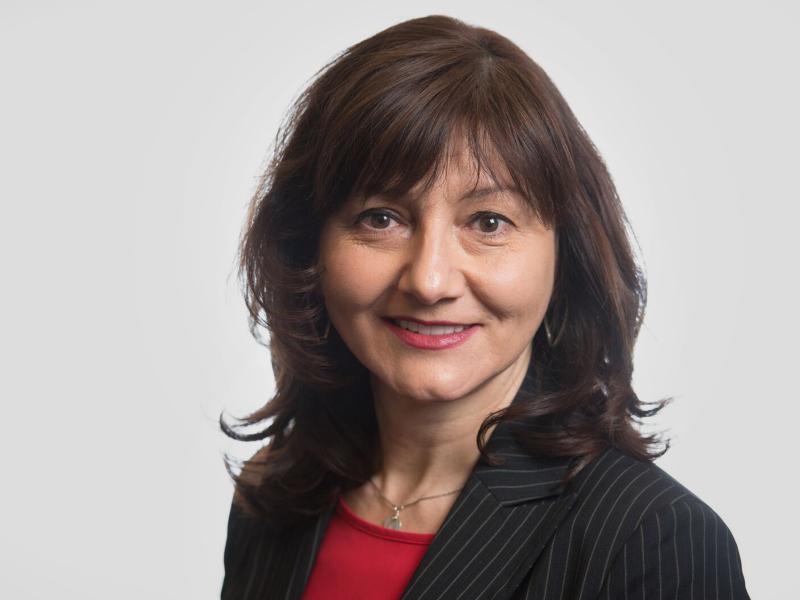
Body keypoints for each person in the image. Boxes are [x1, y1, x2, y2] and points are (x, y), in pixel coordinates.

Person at [219, 14, 750, 600]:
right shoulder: (275, 498)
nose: (429, 280)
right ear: (309, 245)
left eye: (489, 222)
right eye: (382, 218)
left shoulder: (651, 538)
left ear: (564, 254)